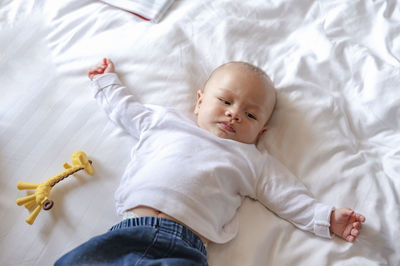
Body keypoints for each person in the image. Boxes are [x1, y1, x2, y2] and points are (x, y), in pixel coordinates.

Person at [55, 58, 365, 265]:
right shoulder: (165, 121)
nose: (234, 114)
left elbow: (288, 196)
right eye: (226, 101)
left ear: (262, 131)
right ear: (200, 101)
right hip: (124, 233)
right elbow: (126, 111)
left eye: (251, 115)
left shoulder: (253, 160)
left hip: (183, 248)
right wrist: (107, 83)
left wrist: (326, 218)